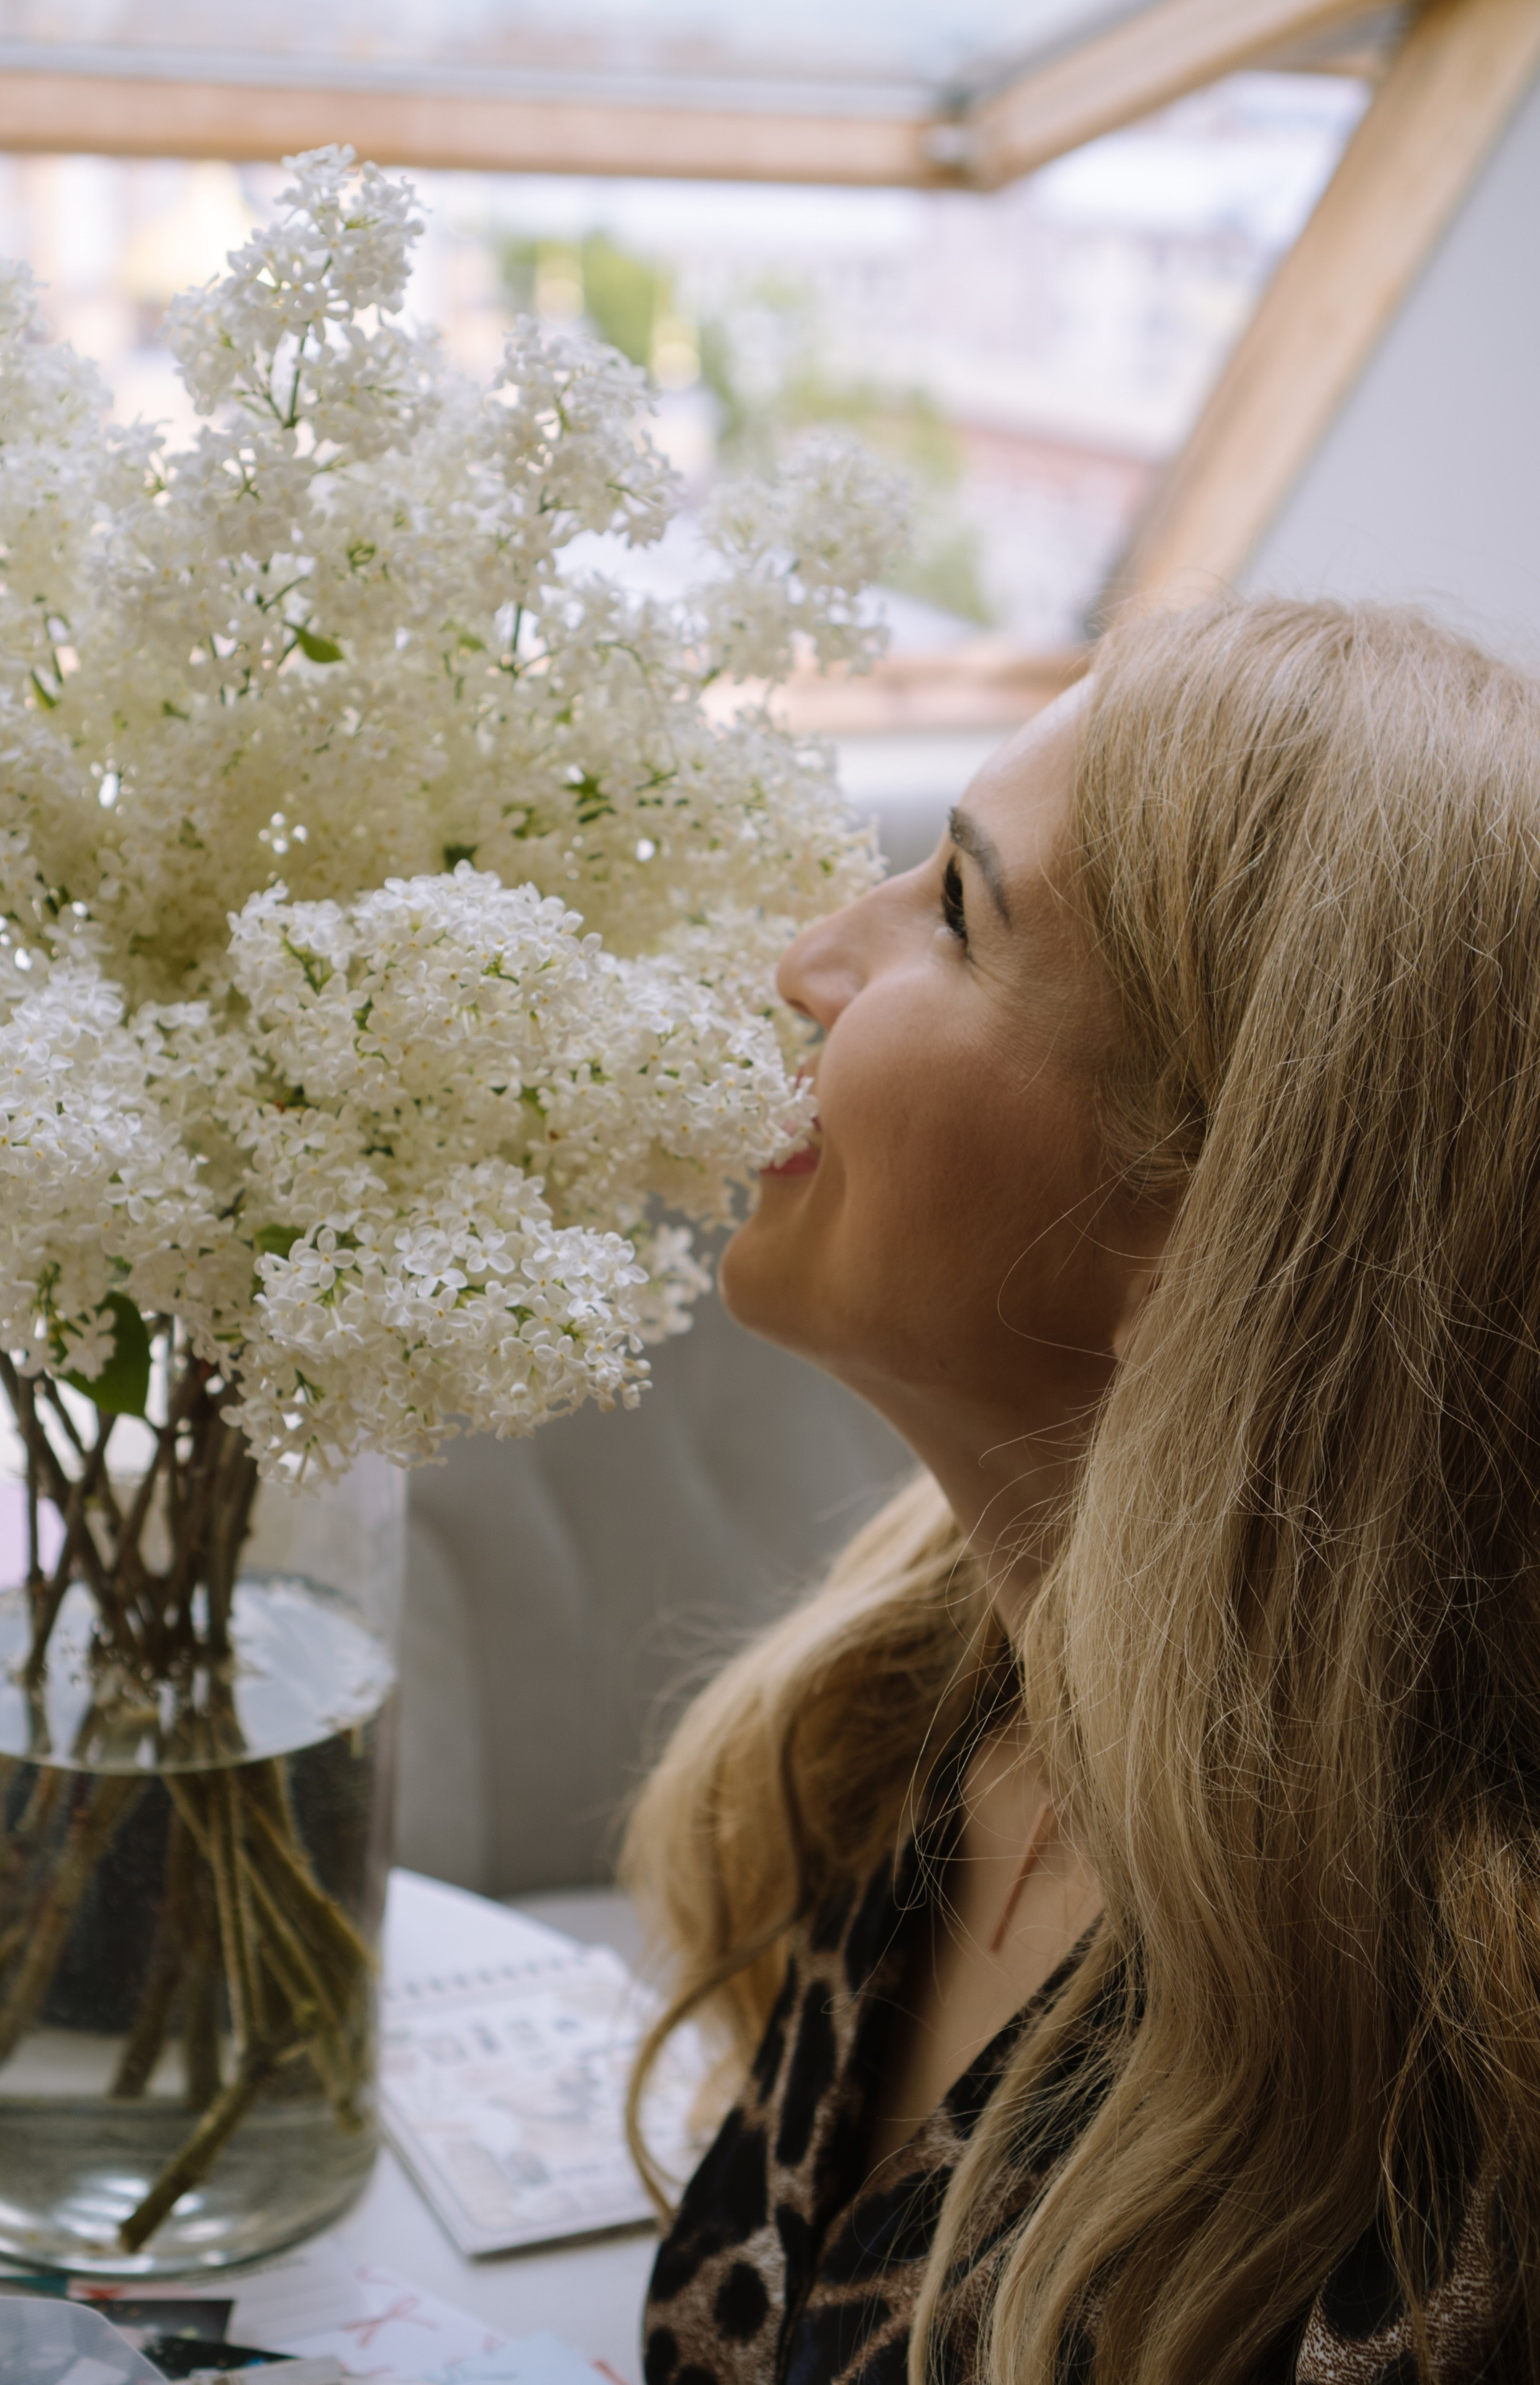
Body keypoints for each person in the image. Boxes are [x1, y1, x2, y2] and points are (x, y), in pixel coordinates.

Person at [619, 597, 1540, 2385]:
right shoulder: (914, 1704)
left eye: (956, 914)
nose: (811, 956)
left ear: (1214, 1233)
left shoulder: (1444, 2172)